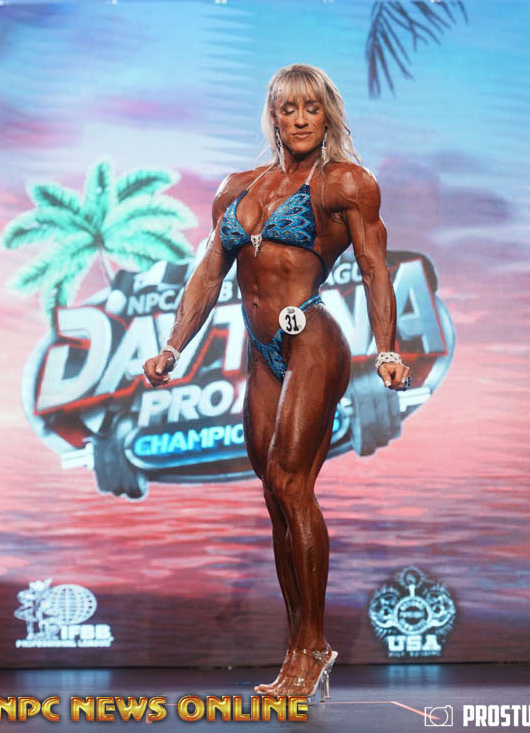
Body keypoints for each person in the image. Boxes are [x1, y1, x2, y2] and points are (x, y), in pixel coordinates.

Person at [142, 63, 411, 701]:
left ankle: (314, 647)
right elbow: (209, 274)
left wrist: (388, 350)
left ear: (327, 115)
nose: (300, 119)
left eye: (311, 108)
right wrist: (172, 347)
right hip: (262, 349)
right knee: (275, 495)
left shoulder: (346, 183)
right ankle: (297, 647)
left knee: (293, 483)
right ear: (274, 116)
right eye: (288, 109)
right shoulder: (237, 188)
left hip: (312, 339)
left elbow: (375, 268)